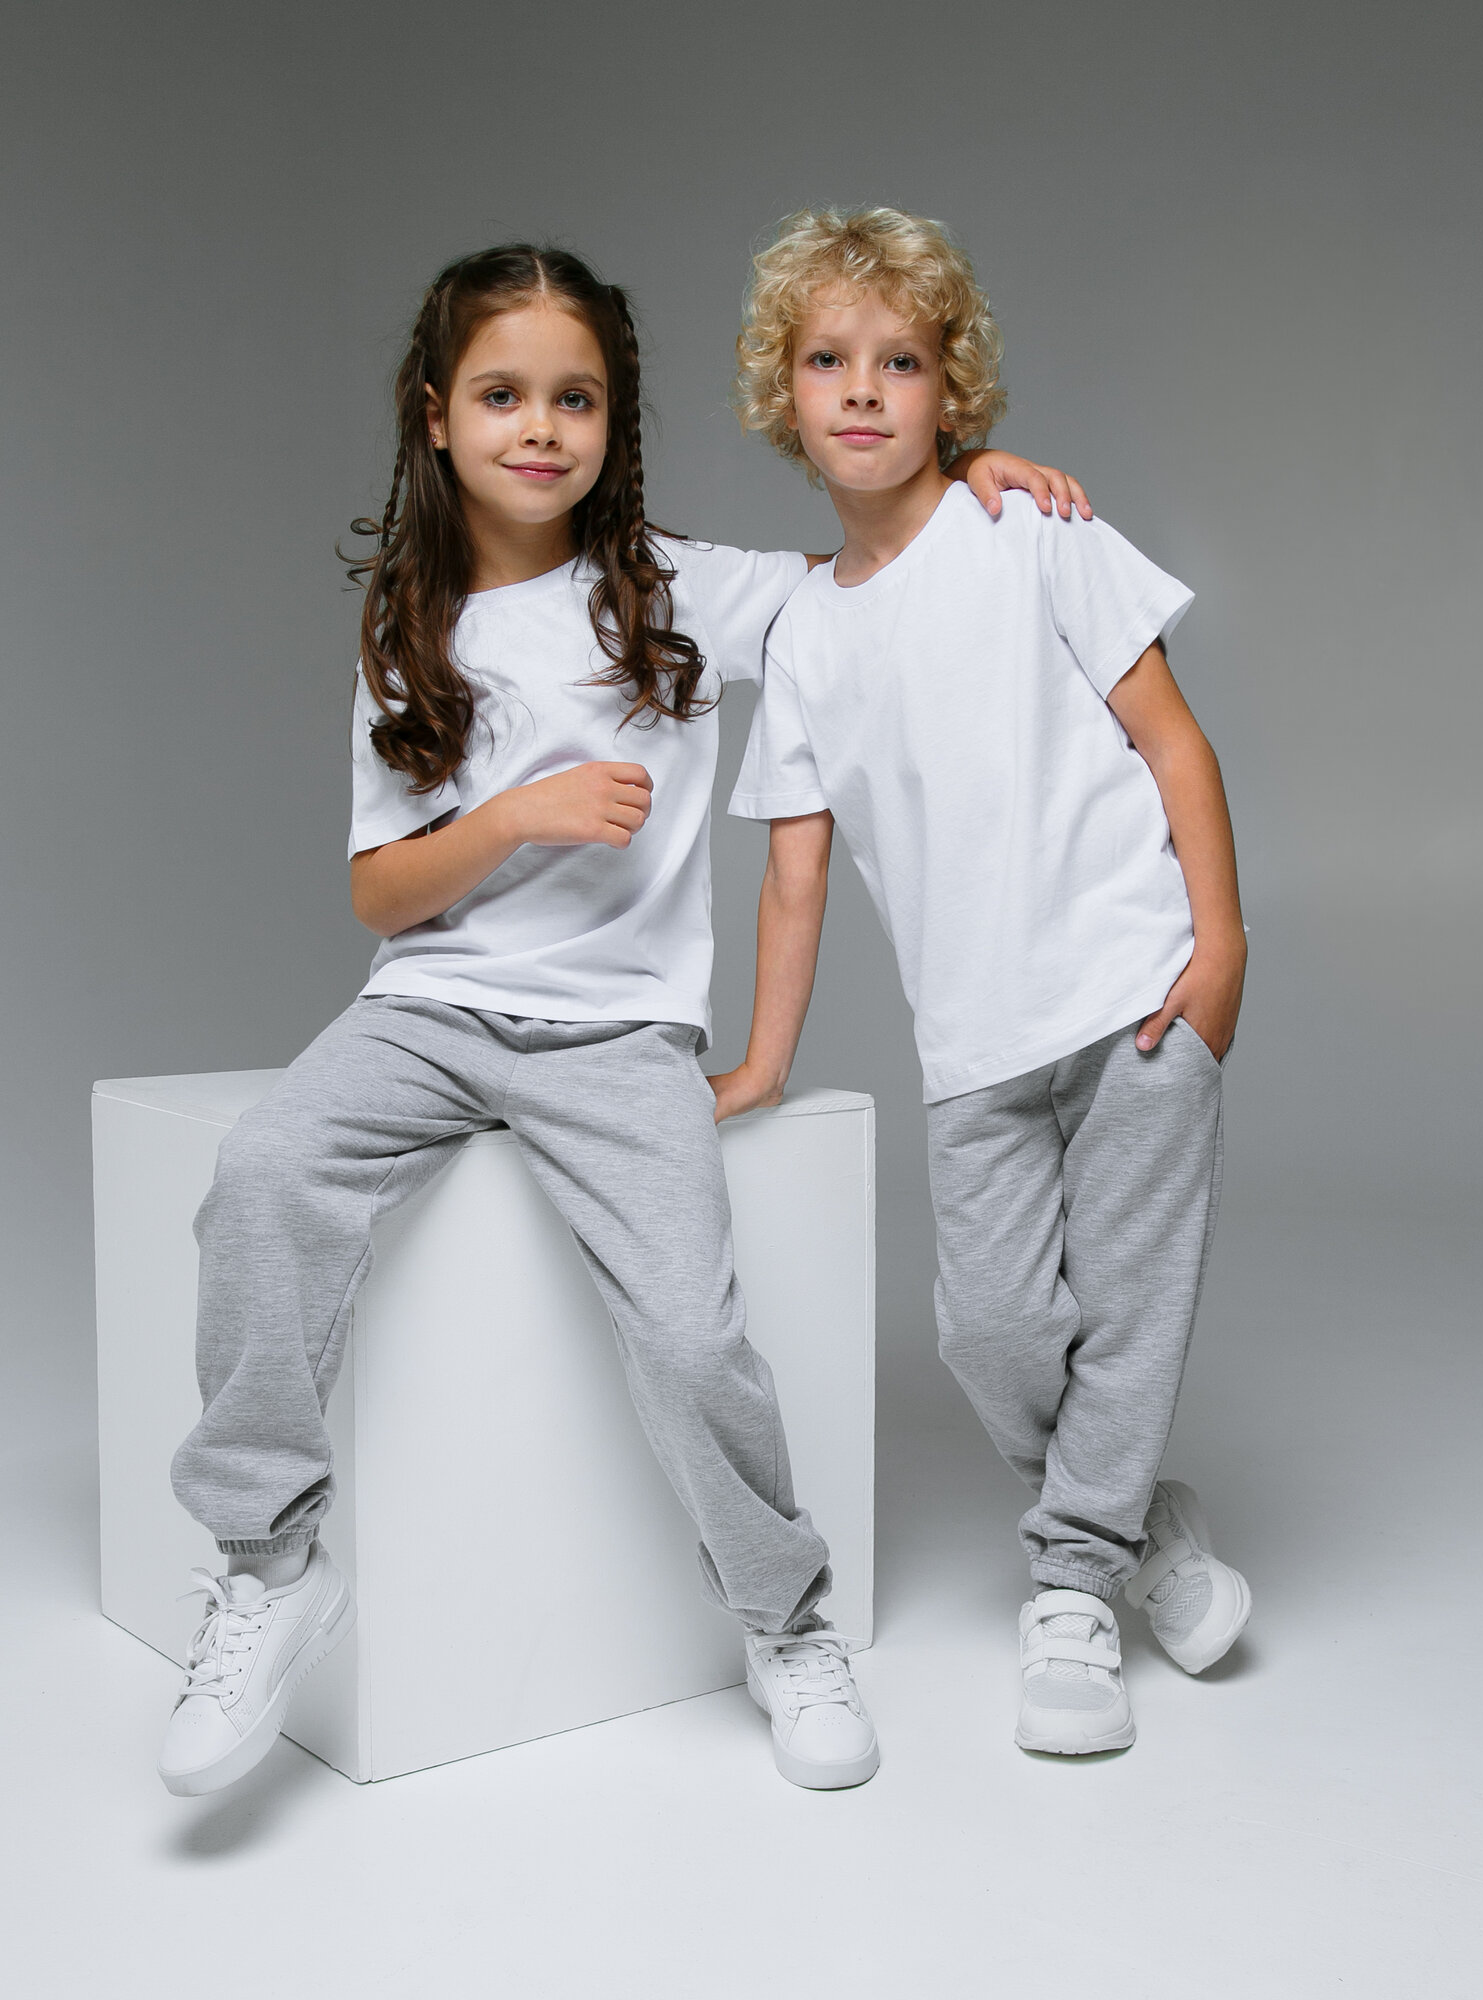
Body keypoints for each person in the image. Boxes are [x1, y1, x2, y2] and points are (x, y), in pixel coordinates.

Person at [156, 242, 1081, 1797]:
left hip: (619, 1037)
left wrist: (971, 475)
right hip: (431, 1011)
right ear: (436, 416)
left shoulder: (675, 591)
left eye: (574, 399)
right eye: (502, 395)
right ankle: (268, 1563)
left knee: (690, 1333)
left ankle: (786, 1622)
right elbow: (381, 895)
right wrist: (515, 816)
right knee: (258, 1179)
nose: (540, 427)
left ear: (615, 422)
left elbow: (874, 572)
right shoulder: (408, 623)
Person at [716, 207, 1252, 1756]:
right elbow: (796, 875)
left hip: (1138, 992)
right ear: (784, 392)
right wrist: (761, 1061)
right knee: (992, 1331)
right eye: (829, 360)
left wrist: (1221, 945)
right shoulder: (804, 638)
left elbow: (1173, 740)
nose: (863, 389)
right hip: (972, 1047)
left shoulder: (1032, 530)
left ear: (950, 390)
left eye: (900, 361)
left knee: (1130, 1314)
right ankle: (1144, 1526)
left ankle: (1073, 1588)